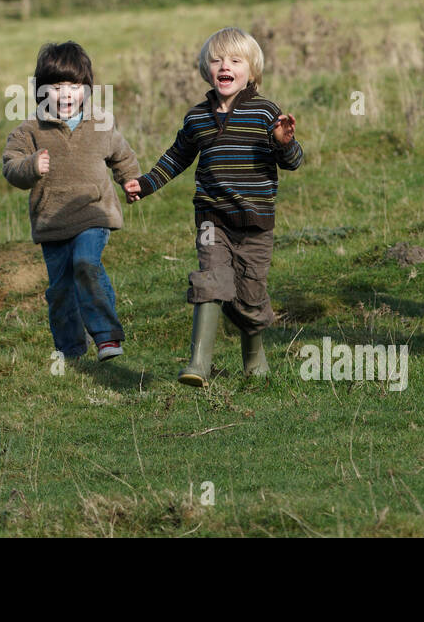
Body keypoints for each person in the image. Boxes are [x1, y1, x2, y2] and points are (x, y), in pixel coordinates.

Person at [127, 27, 302, 386]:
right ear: (206, 69)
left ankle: (255, 364)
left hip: (256, 223)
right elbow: (176, 158)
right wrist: (145, 184)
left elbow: (294, 161)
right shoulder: (197, 118)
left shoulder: (265, 112)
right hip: (212, 219)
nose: (225, 66)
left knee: (250, 297)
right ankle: (198, 365)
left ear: (251, 71)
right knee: (211, 281)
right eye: (217, 60)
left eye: (235, 60)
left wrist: (285, 143)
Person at [2, 42, 141, 363]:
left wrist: (130, 181)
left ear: (87, 88)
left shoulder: (101, 122)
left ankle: (107, 337)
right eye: (57, 86)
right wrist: (31, 166)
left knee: (85, 264)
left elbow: (122, 155)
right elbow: (11, 167)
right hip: (51, 221)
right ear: (41, 91)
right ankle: (71, 352)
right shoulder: (29, 130)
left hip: (95, 213)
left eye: (74, 86)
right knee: (61, 291)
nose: (66, 94)